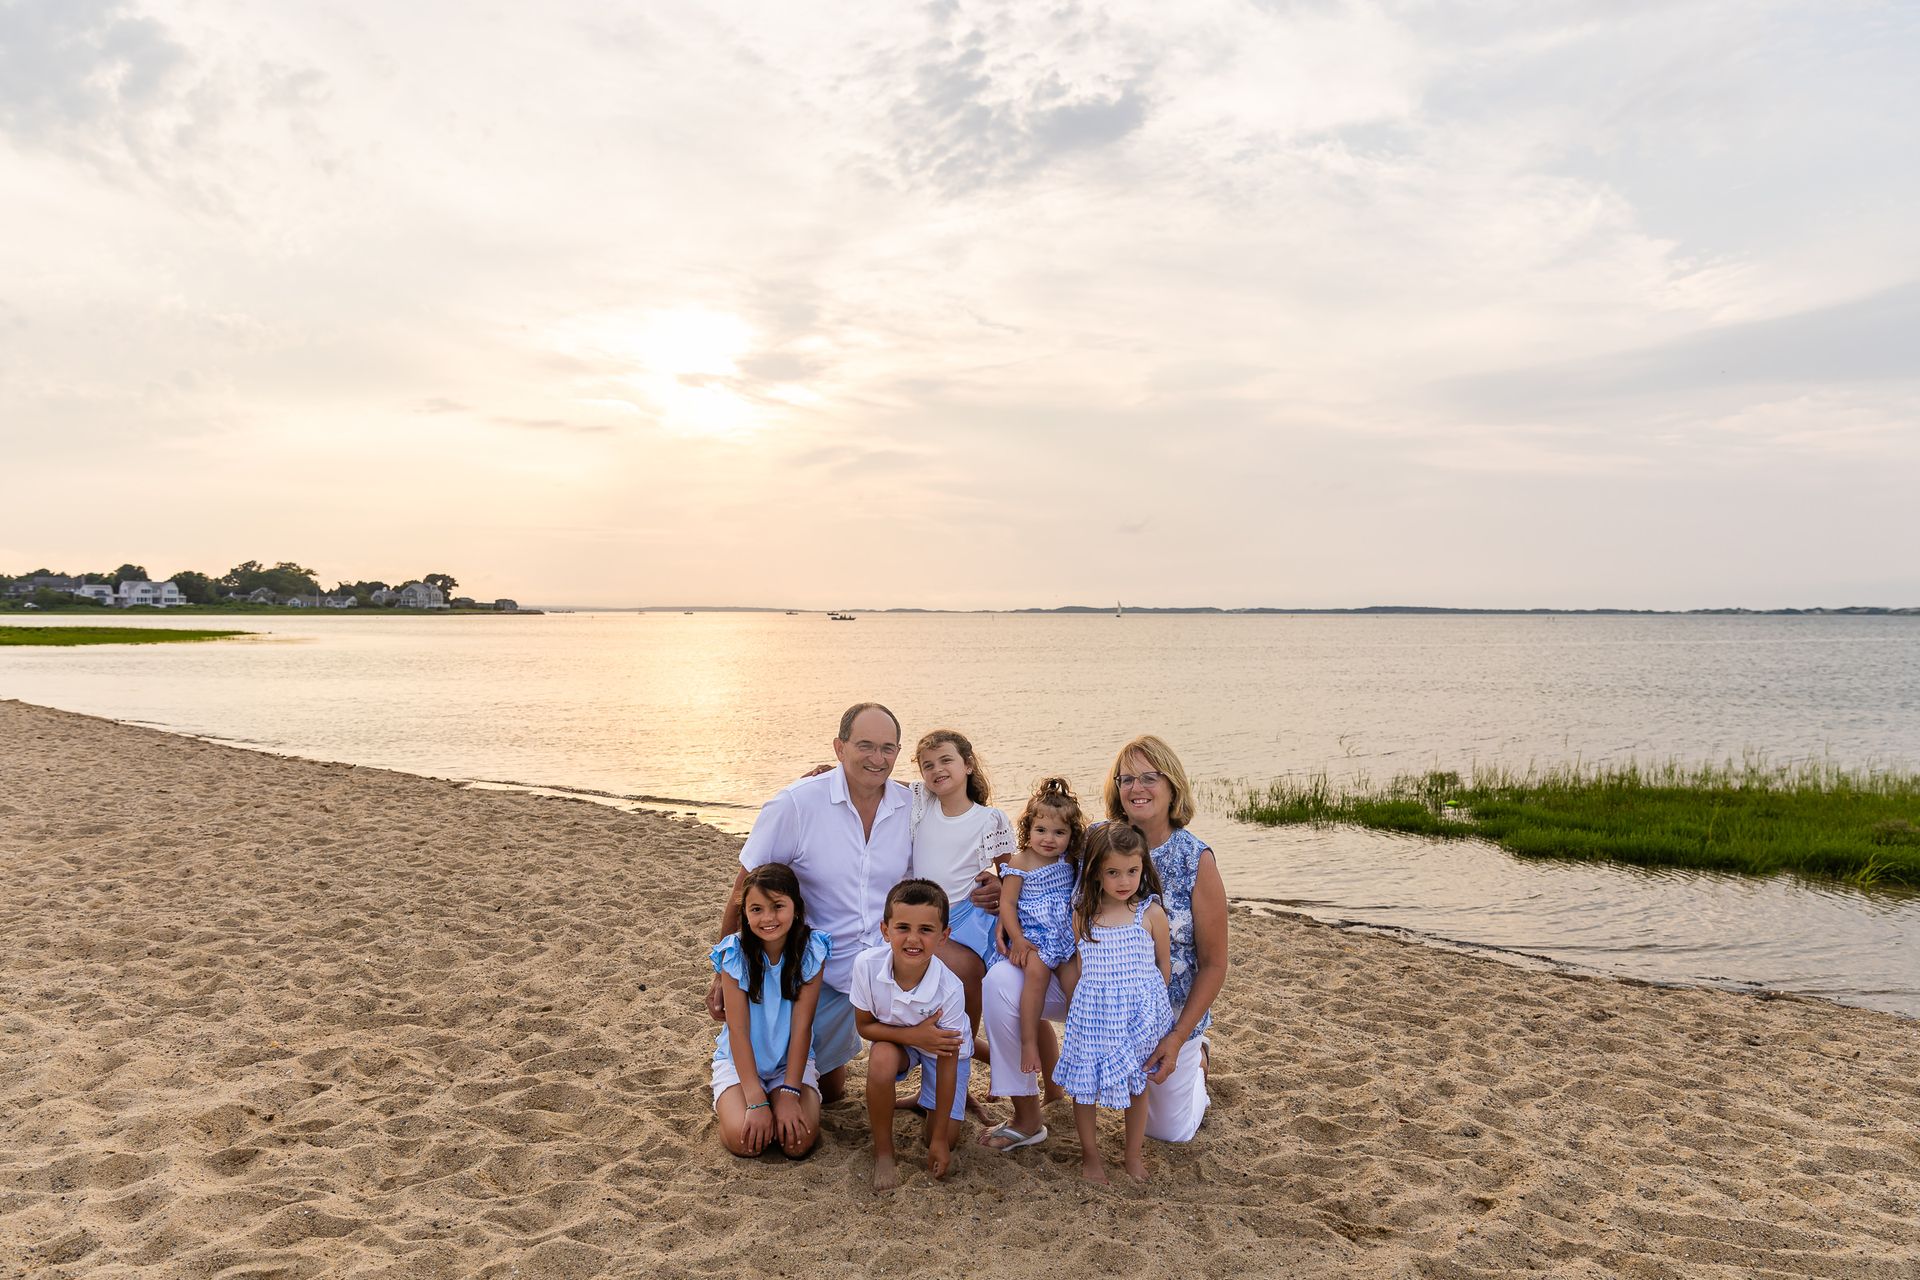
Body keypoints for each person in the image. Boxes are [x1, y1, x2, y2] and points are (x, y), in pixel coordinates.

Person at [979, 734, 1227, 1146]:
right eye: (1126, 779)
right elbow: (1041, 862)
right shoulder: (1095, 838)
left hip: (1157, 1008)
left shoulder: (1195, 859)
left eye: (1150, 777)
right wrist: (1002, 886)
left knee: (1168, 1131)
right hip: (1089, 989)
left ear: (1172, 786)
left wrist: (1178, 1035)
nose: (1137, 788)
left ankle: (1196, 1062)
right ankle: (1026, 1117)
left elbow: (1215, 963)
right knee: (1001, 984)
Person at [708, 703, 916, 1104]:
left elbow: (959, 806)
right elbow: (743, 889)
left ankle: (951, 1094)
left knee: (949, 1011)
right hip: (819, 976)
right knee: (829, 1095)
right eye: (865, 746)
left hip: (886, 967)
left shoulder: (912, 808)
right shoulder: (797, 805)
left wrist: (994, 880)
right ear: (839, 748)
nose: (877, 758)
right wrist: (722, 972)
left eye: (888, 748)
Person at [1051, 822, 1173, 1183]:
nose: (1124, 881)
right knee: (1086, 1086)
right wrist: (1078, 1004)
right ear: (1096, 873)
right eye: (1113, 872)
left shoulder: (1149, 914)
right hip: (1094, 1014)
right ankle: (1091, 1156)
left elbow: (1162, 966)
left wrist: (1152, 1008)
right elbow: (1077, 961)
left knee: (1138, 1084)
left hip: (1138, 1014)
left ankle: (1132, 1156)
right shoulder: (1084, 915)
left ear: (1143, 868)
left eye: (1132, 871)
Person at [850, 879, 971, 1192]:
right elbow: (864, 1026)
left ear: (944, 935)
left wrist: (941, 1140)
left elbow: (948, 1059)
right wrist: (916, 1036)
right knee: (880, 1059)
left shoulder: (950, 990)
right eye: (902, 927)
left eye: (926, 930)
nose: (913, 939)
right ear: (885, 930)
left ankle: (924, 1101)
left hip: (943, 1052)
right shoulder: (866, 966)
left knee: (941, 1137)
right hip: (902, 1041)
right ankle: (884, 1152)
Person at [709, 864, 829, 1158]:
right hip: (741, 1063)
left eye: (778, 906)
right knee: (745, 1142)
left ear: (796, 908)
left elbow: (802, 1028)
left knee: (797, 1144)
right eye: (757, 909)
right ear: (745, 914)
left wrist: (789, 1093)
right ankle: (746, 1097)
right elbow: (738, 1031)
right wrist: (756, 1101)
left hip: (789, 1064)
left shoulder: (811, 950)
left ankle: (778, 1096)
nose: (768, 918)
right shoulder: (734, 953)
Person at [906, 729, 1016, 1036]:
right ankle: (960, 1051)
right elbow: (880, 783)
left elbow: (1012, 875)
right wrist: (836, 772)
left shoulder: (989, 819)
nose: (936, 769)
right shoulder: (923, 804)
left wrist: (999, 885)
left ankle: (970, 1045)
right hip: (932, 917)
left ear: (967, 764)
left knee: (1000, 991)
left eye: (945, 760)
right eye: (927, 765)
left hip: (973, 917)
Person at [990, 776, 1085, 1087]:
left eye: (1060, 832)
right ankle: (1029, 1040)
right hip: (1036, 937)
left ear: (1071, 836)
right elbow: (1007, 903)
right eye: (1041, 830)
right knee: (1036, 978)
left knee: (1075, 981)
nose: (1049, 838)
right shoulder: (1021, 862)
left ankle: (1078, 1041)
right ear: (1028, 829)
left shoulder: (1068, 860)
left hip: (1066, 938)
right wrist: (1017, 939)